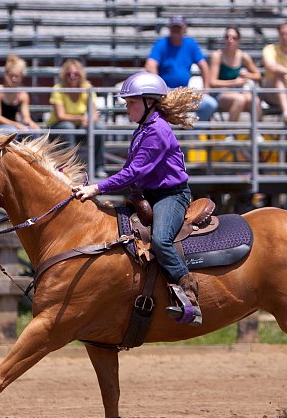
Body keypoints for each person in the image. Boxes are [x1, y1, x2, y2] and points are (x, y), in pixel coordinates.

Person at [72, 72, 204, 326]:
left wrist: (97, 189)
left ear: (149, 102)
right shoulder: (144, 129)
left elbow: (134, 172)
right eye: (127, 102)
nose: (127, 107)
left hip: (171, 196)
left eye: (131, 102)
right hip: (150, 195)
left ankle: (189, 293)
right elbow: (131, 169)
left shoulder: (157, 132)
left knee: (160, 239)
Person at [144, 15, 217, 123]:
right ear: (169, 29)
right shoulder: (162, 43)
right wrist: (160, 88)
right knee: (163, 109)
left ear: (184, 29)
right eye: (174, 27)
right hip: (165, 92)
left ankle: (194, 131)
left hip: (184, 92)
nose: (176, 30)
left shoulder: (190, 44)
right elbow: (150, 64)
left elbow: (204, 66)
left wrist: (206, 90)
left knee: (210, 104)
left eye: (178, 27)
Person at [47, 58, 105, 173]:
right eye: (69, 74)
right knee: (68, 127)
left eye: (75, 73)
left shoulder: (87, 87)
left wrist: (90, 120)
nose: (72, 76)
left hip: (78, 126)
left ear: (81, 74)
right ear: (64, 75)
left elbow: (94, 112)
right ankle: (70, 166)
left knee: (98, 128)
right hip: (58, 127)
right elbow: (60, 116)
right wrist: (80, 118)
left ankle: (98, 166)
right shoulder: (58, 89)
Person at [207, 26, 263, 122]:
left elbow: (258, 76)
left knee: (255, 100)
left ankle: (257, 134)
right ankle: (230, 134)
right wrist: (234, 82)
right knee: (240, 99)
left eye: (234, 38)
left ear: (238, 40)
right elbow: (212, 82)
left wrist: (247, 76)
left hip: (237, 91)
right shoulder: (217, 56)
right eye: (227, 37)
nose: (230, 40)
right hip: (220, 93)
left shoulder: (243, 56)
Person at [0, 54, 40, 132]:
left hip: (14, 127)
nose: (14, 79)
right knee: (11, 131)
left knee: (35, 132)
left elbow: (26, 117)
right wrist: (15, 124)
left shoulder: (23, 94)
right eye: (11, 75)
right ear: (5, 75)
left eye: (17, 76)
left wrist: (32, 124)